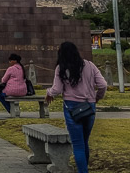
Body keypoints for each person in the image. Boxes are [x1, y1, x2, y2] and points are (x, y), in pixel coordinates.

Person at [45, 42, 108, 173]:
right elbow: (103, 85)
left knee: (78, 144)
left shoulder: (61, 68)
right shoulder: (90, 65)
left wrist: (48, 92)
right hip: (89, 106)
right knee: (84, 141)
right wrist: (97, 97)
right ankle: (84, 169)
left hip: (72, 108)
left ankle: (83, 171)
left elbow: (56, 89)